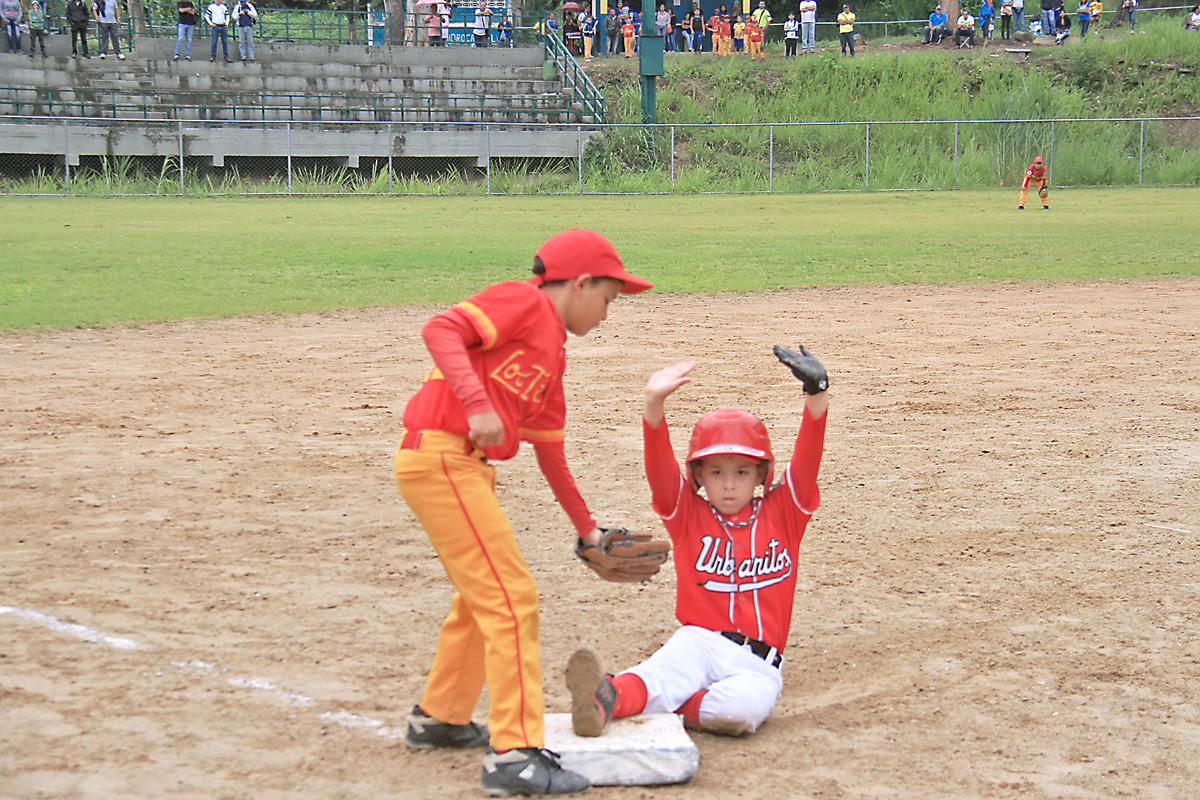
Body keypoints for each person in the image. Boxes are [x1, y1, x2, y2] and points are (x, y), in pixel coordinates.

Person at [395, 229, 656, 796]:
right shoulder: (524, 300)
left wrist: (588, 533)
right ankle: (513, 754)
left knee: (482, 595)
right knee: (513, 600)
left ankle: (440, 715)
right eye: (608, 298)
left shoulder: (553, 354)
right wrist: (476, 402)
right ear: (580, 283)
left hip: (462, 468)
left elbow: (551, 454)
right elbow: (441, 328)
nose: (608, 313)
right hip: (442, 458)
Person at [565, 349, 830, 740]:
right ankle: (605, 698)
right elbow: (659, 470)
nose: (727, 482)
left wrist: (817, 394)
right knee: (657, 673)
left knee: (741, 711)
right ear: (698, 475)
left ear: (760, 473)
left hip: (758, 664)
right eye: (716, 471)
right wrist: (653, 405)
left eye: (741, 471)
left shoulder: (785, 513)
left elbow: (808, 461)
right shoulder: (688, 515)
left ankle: (677, 704)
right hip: (700, 640)